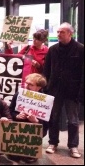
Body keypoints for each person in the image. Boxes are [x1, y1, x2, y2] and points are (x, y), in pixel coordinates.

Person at [43, 22, 83, 158]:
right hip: (55, 90)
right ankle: (53, 142)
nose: (59, 34)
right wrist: (47, 87)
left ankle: (73, 146)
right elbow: (46, 70)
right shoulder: (52, 49)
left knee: (72, 120)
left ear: (70, 33)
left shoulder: (80, 49)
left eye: (62, 32)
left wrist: (81, 92)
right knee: (54, 117)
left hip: (73, 91)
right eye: (58, 32)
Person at [8, 73, 49, 163]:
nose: (27, 86)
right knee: (13, 157)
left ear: (39, 87)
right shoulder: (18, 94)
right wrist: (16, 116)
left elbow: (48, 123)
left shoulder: (46, 100)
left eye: (31, 84)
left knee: (29, 158)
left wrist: (36, 121)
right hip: (18, 127)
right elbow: (10, 111)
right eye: (26, 83)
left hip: (34, 129)